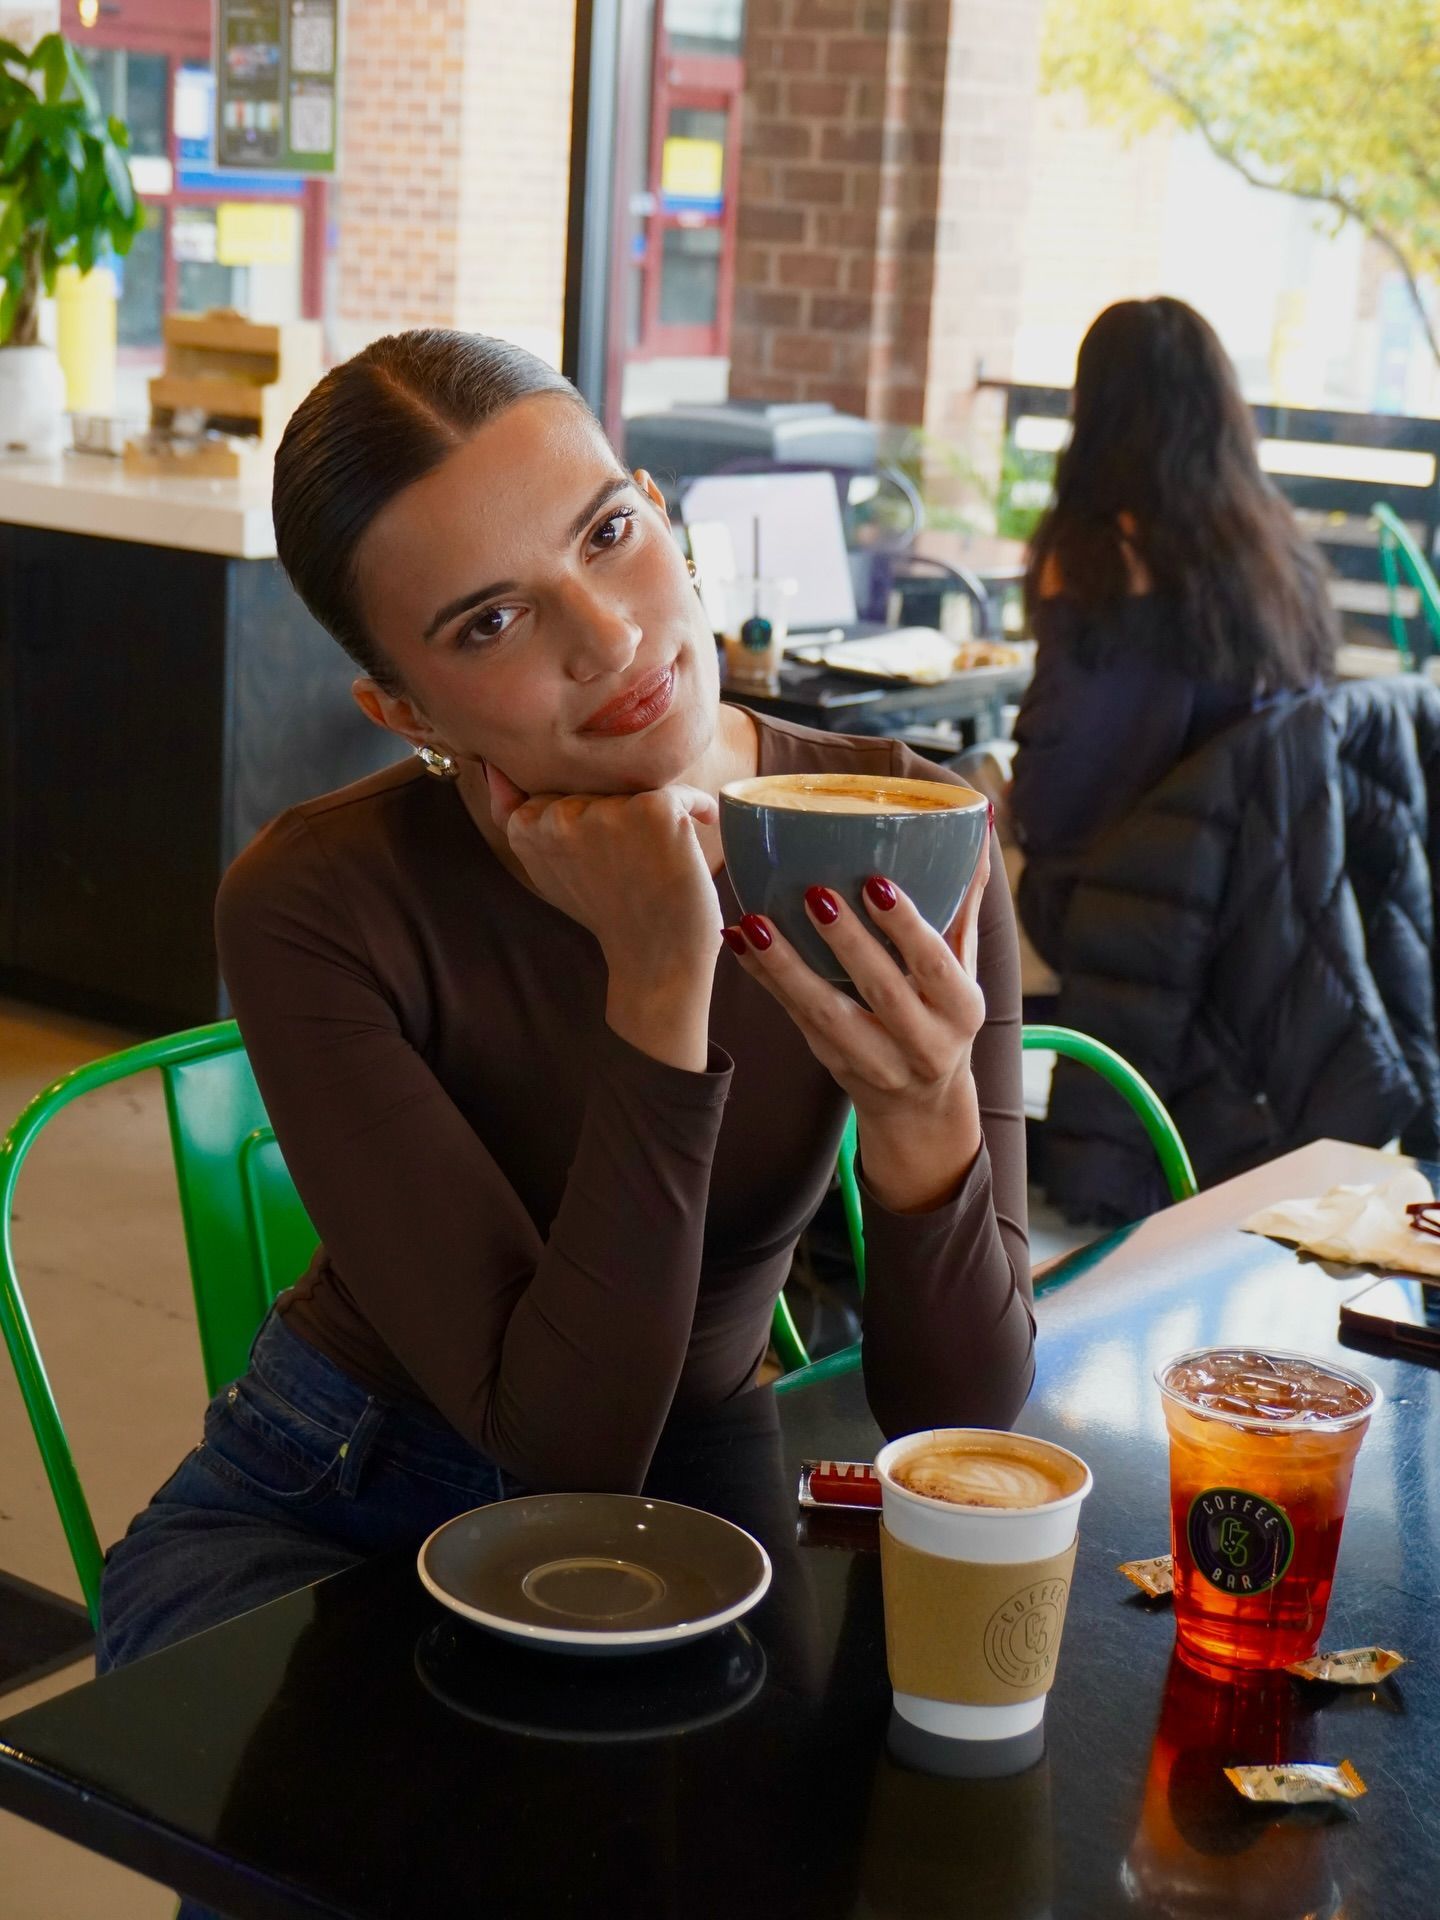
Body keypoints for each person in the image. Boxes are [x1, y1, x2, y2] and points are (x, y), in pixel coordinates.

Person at [98, 331, 1034, 1703]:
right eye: (492, 620)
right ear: (404, 708)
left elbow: (962, 1420)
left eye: (607, 533)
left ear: (658, 506)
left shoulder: (901, 829)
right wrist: (661, 976)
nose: (608, 637)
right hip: (330, 1498)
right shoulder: (315, 900)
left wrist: (919, 1110)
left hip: (695, 1484)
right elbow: (559, 1443)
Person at [1009, 296, 1338, 968]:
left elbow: (1052, 809)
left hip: (1128, 910)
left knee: (939, 842)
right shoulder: (1279, 556)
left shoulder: (1103, 558)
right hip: (1263, 912)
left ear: (1093, 411)